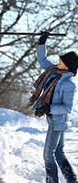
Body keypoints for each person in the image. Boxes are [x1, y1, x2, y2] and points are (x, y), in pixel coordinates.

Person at [26, 31, 78, 183]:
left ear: (67, 66)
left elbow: (67, 108)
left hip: (58, 122)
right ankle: (72, 180)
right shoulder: (55, 73)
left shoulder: (69, 84)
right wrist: (42, 42)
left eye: (61, 60)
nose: (58, 61)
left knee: (48, 155)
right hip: (53, 120)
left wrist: (48, 108)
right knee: (59, 154)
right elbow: (42, 60)